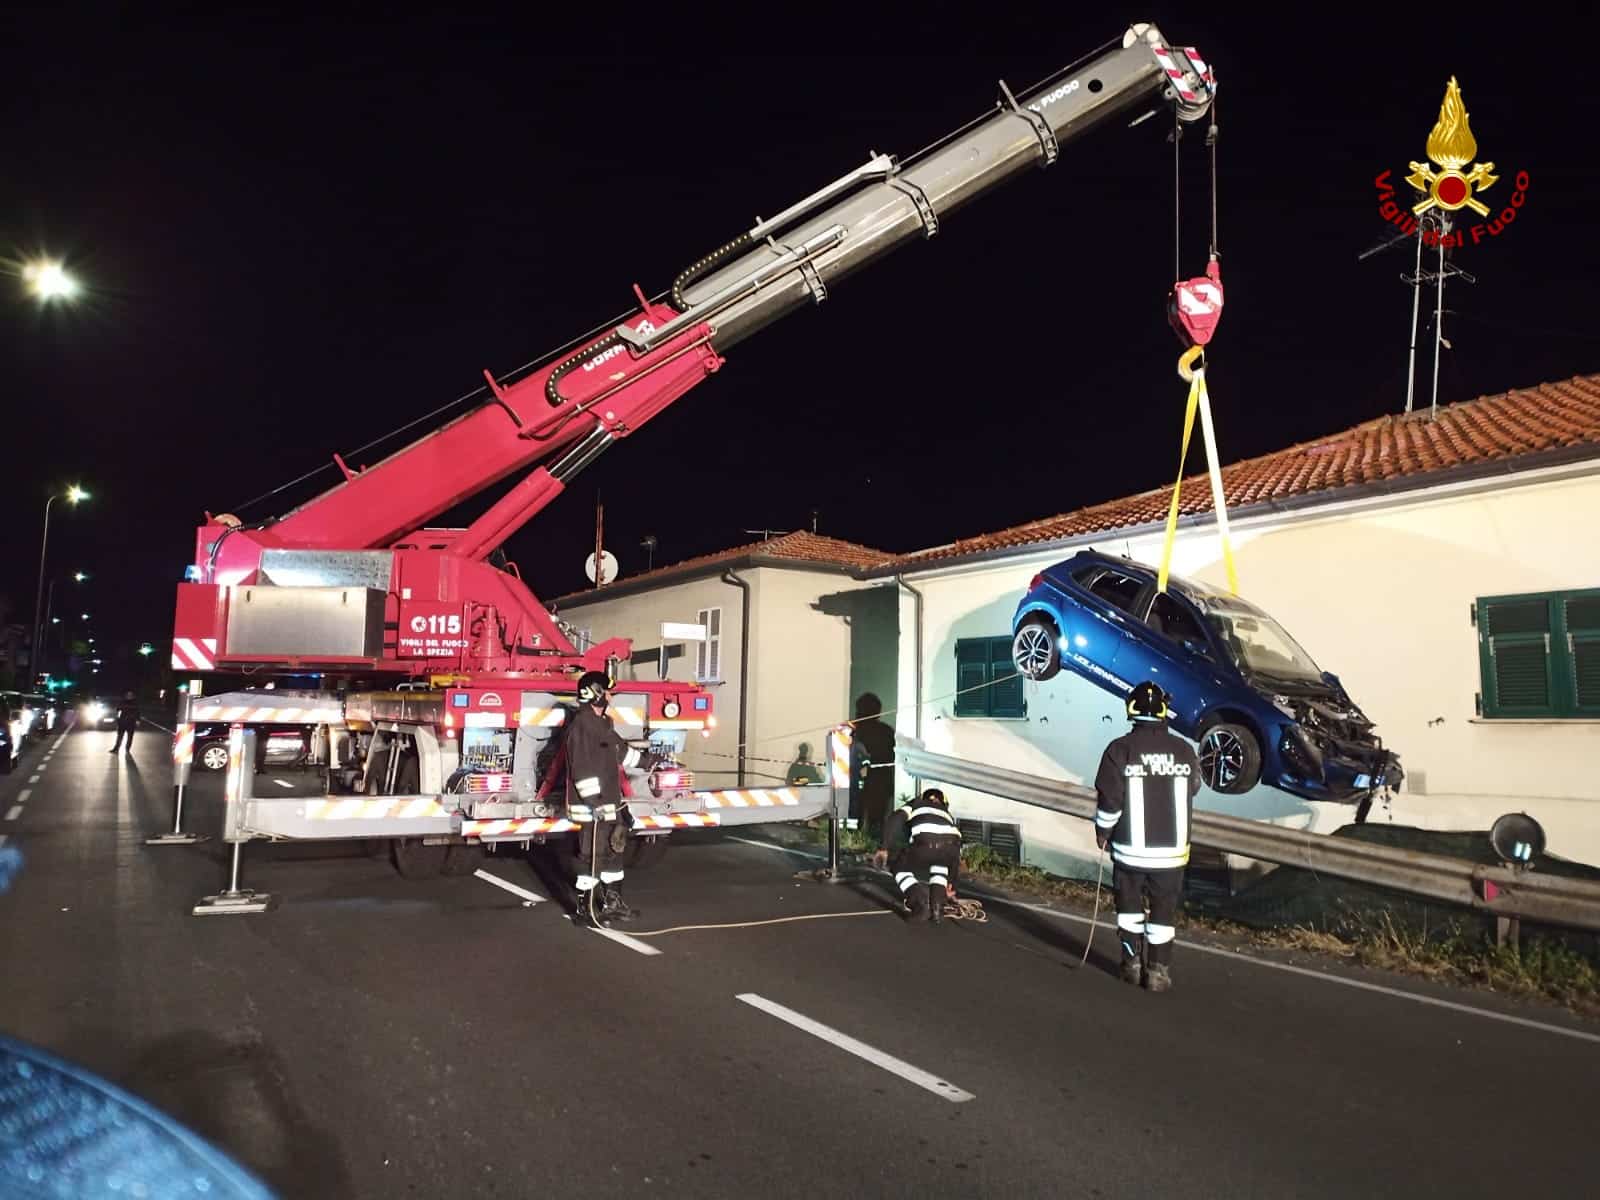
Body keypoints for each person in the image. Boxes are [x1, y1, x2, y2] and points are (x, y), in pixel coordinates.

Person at [1092, 680, 1201, 992]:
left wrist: (1102, 831)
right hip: (1172, 855)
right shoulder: (1184, 750)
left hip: (1130, 853)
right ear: (1164, 711)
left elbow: (1110, 801)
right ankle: (1158, 972)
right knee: (1163, 913)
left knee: (1129, 911)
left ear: (1131, 709)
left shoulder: (1119, 750)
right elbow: (1194, 788)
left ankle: (1131, 965)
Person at [561, 671, 664, 925]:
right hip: (593, 808)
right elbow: (581, 769)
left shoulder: (603, 723)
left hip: (609, 803)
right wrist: (594, 802)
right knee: (591, 858)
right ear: (596, 693)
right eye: (607, 692)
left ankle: (612, 903)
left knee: (614, 852)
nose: (610, 697)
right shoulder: (582, 726)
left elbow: (621, 751)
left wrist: (648, 761)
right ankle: (585, 911)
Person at [872, 787, 962, 925]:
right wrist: (952, 885)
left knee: (897, 864)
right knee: (941, 863)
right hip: (950, 849)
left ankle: (920, 903)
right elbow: (956, 851)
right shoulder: (947, 814)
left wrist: (883, 848)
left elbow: (896, 818)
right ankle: (937, 906)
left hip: (925, 843)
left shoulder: (916, 804)